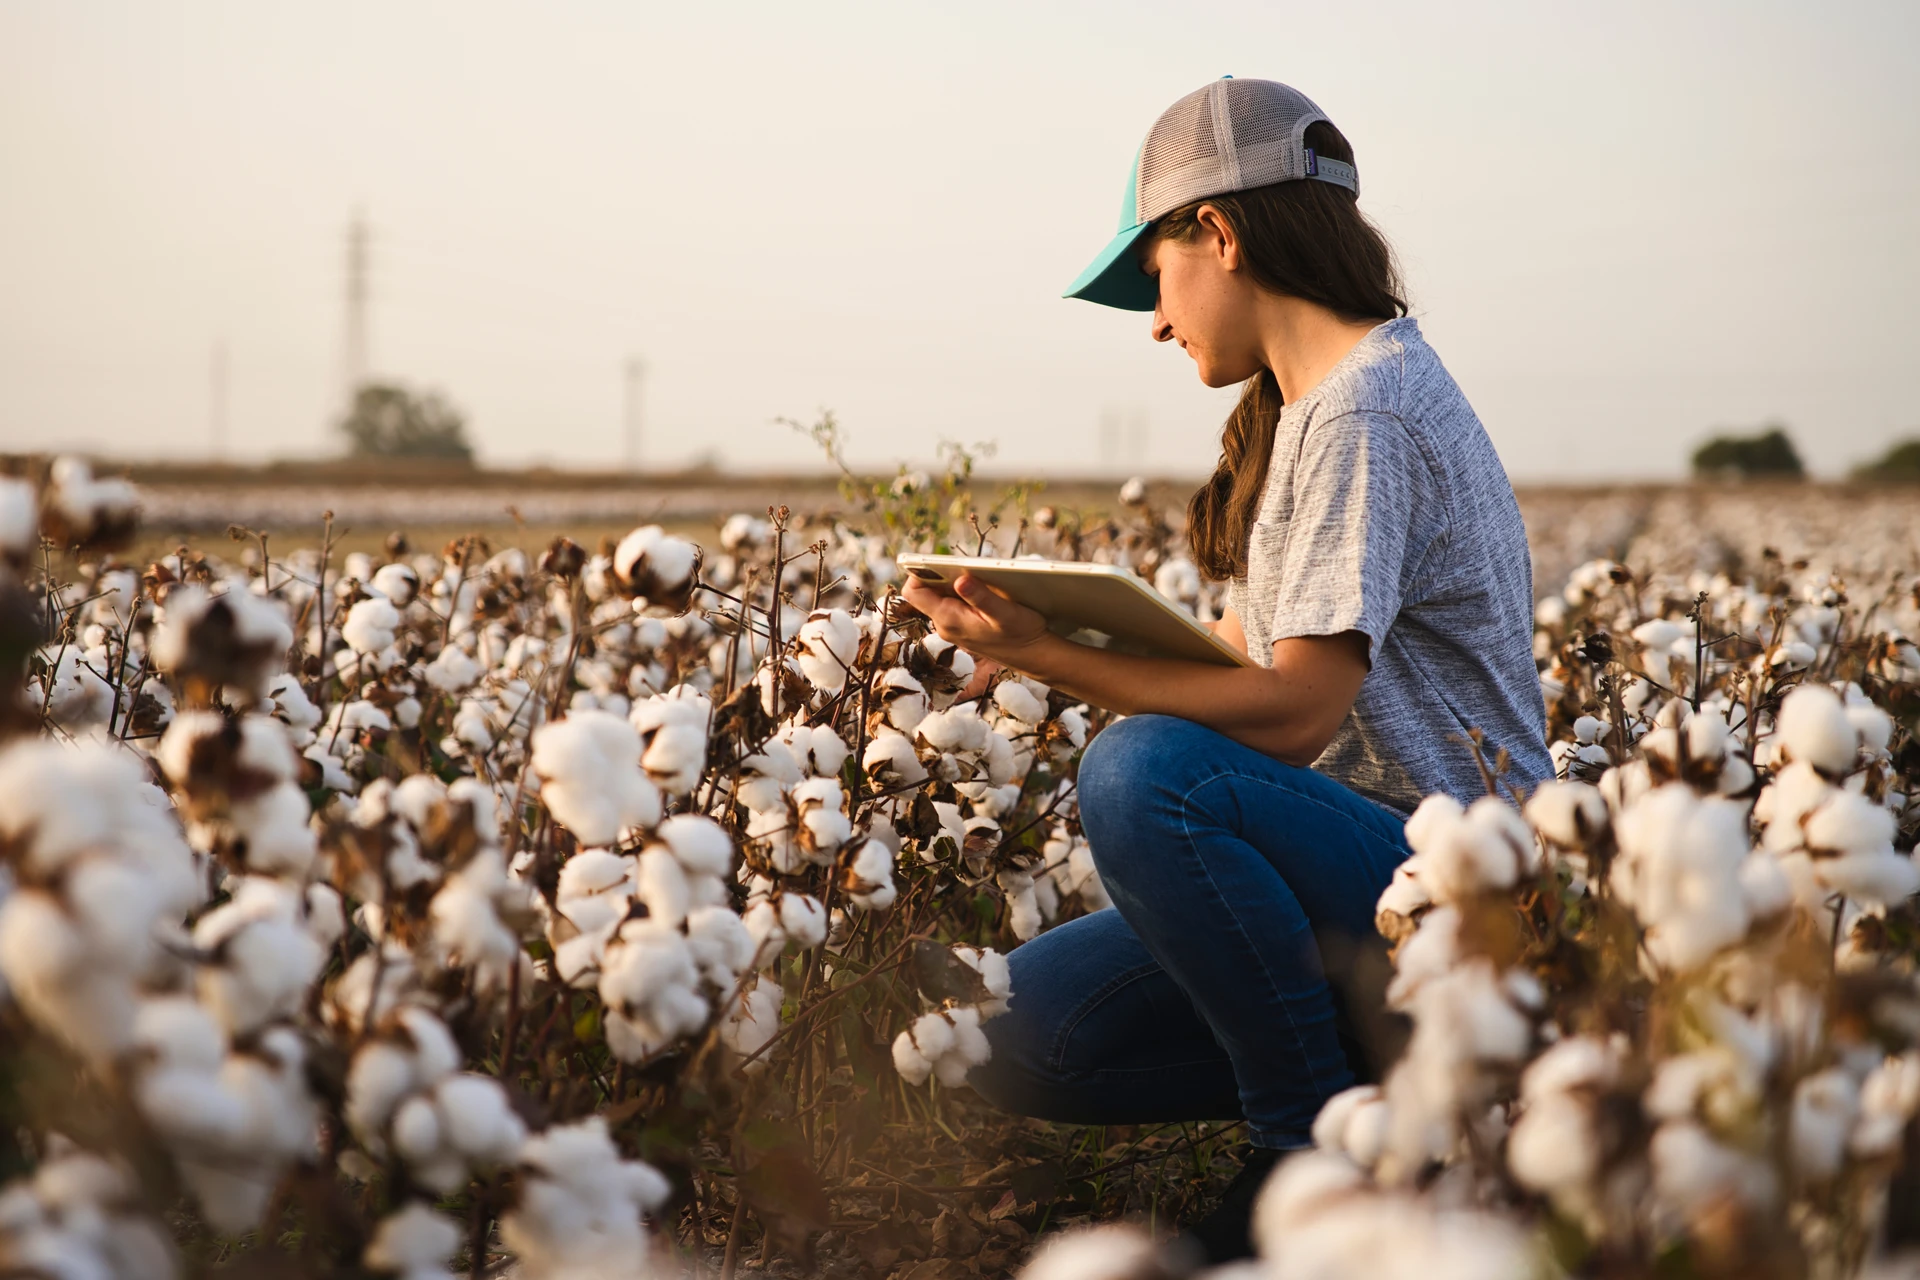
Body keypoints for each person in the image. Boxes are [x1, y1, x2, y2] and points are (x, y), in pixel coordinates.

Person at [899, 77, 1552, 1264]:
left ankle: (1306, 1147)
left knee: (1147, 771)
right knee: (999, 1025)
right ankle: (1393, 1084)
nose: (1154, 320)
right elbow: (1271, 689)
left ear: (1221, 232)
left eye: (1153, 275)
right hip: (1355, 862)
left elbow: (1295, 712)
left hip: (1454, 886)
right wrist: (1075, 638)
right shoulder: (1318, 411)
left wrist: (1051, 652)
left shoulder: (1366, 411)